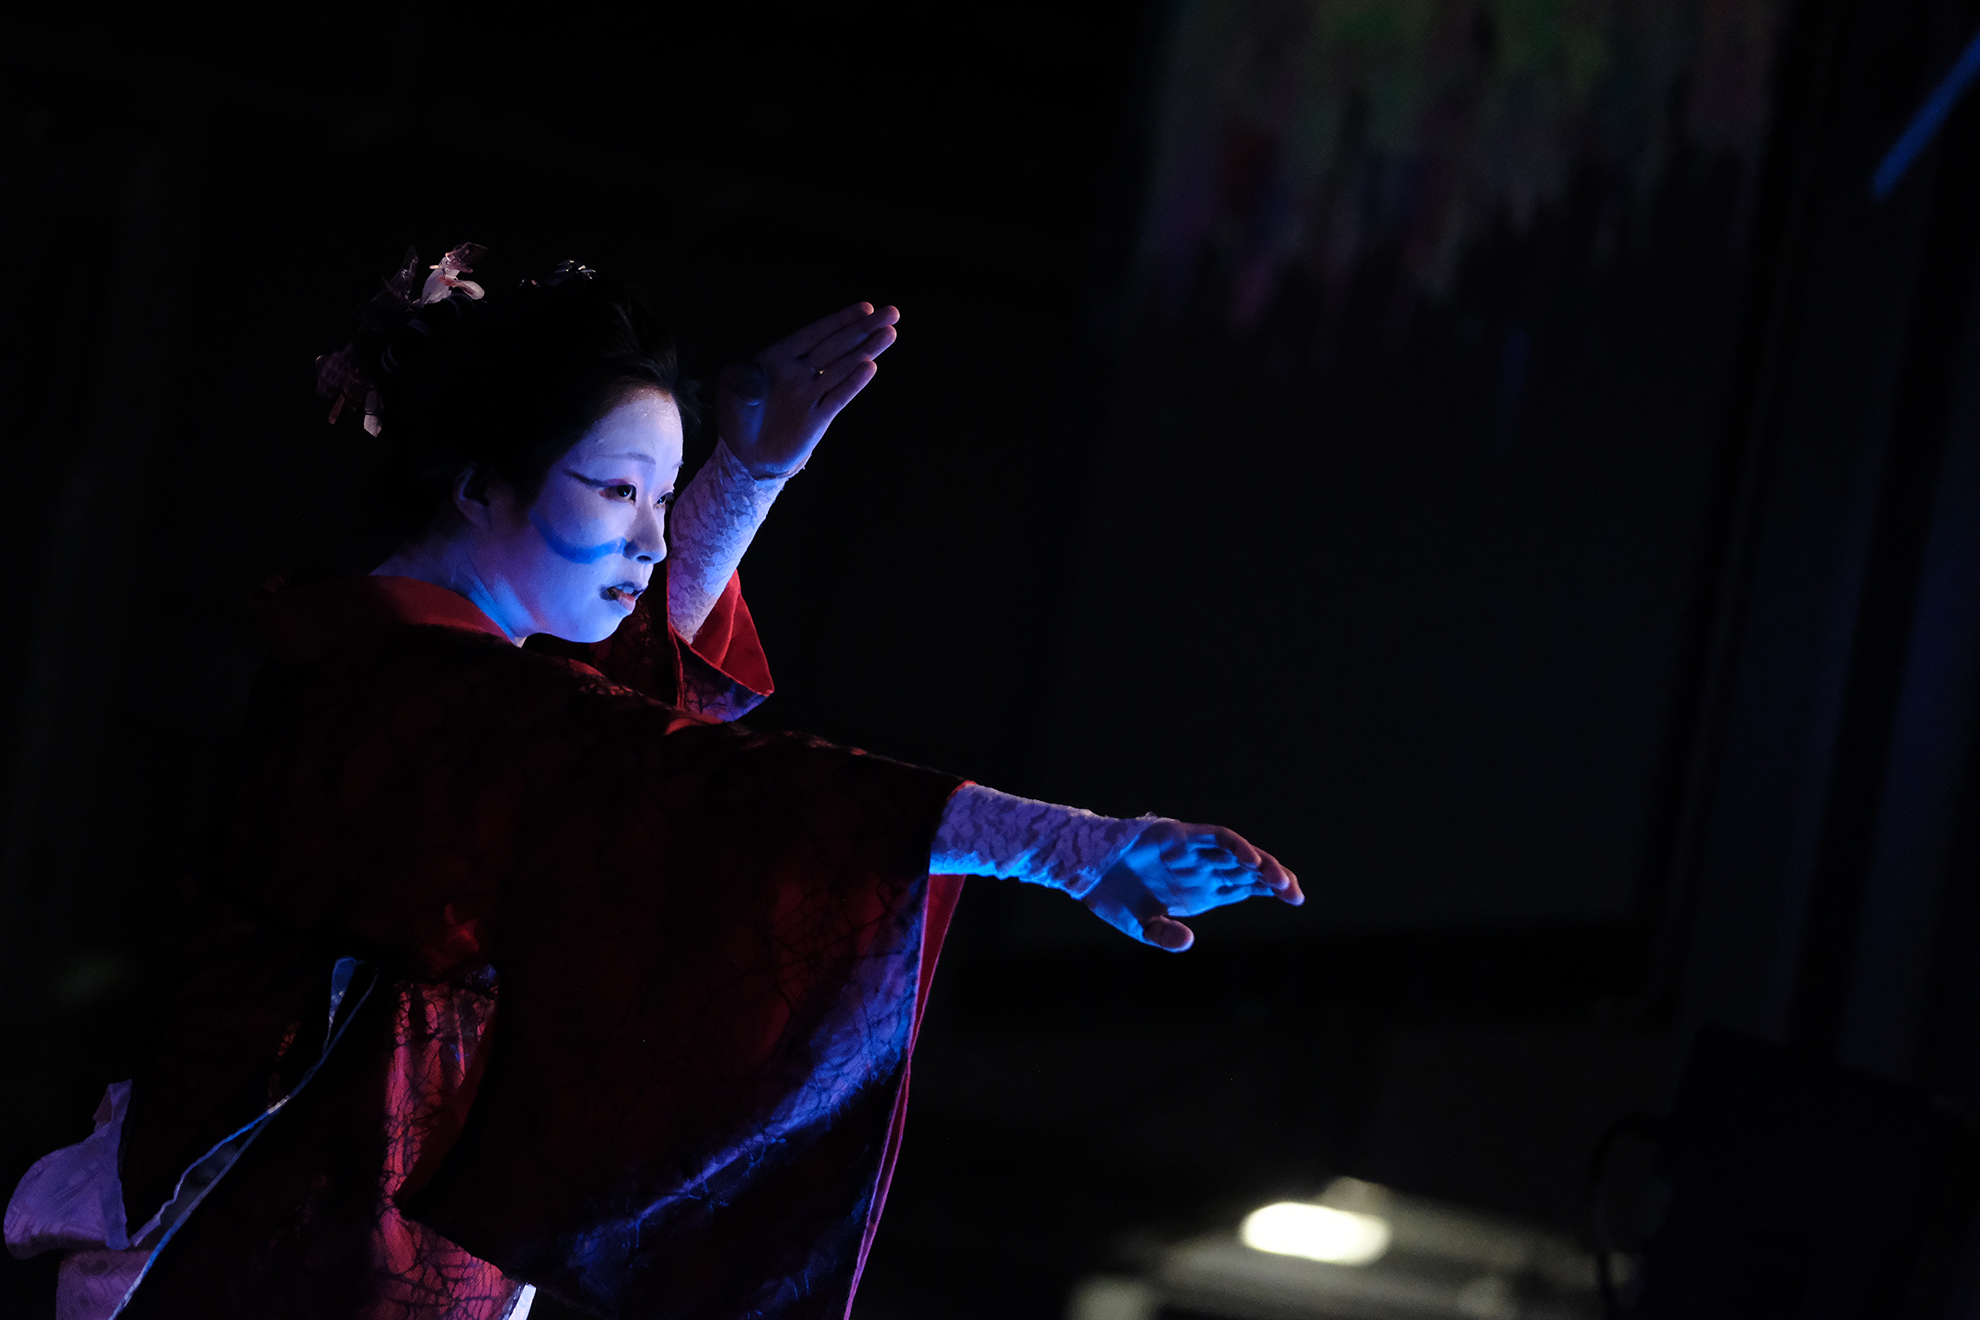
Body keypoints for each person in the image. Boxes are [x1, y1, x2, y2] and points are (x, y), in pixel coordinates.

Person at [4, 247, 1301, 1320]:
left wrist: (752, 474)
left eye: (662, 497)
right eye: (618, 490)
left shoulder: (419, 666)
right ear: (481, 483)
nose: (648, 538)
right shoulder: (402, 689)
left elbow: (619, 700)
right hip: (267, 1239)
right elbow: (676, 776)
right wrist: (1062, 845)